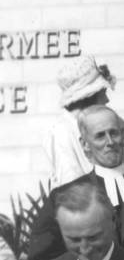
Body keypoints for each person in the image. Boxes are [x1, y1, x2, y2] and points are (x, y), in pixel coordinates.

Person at [29, 106, 124, 260]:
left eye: (114, 133)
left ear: (122, 136)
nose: (110, 142)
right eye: (100, 136)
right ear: (85, 144)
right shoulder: (62, 197)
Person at [44, 55, 116, 188]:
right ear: (89, 96)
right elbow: (72, 186)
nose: (107, 100)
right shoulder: (62, 132)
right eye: (103, 92)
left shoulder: (81, 127)